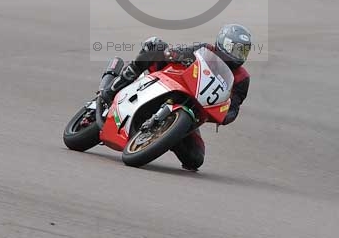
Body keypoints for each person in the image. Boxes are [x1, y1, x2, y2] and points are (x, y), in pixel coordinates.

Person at [101, 24, 252, 171]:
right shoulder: (205, 49)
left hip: (195, 111)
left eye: (243, 52)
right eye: (236, 49)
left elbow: (234, 107)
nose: (239, 55)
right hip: (173, 83)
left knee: (195, 159)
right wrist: (175, 54)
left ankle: (166, 135)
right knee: (155, 45)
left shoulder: (242, 78)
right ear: (223, 43)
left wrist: (225, 116)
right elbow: (182, 52)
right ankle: (114, 88)